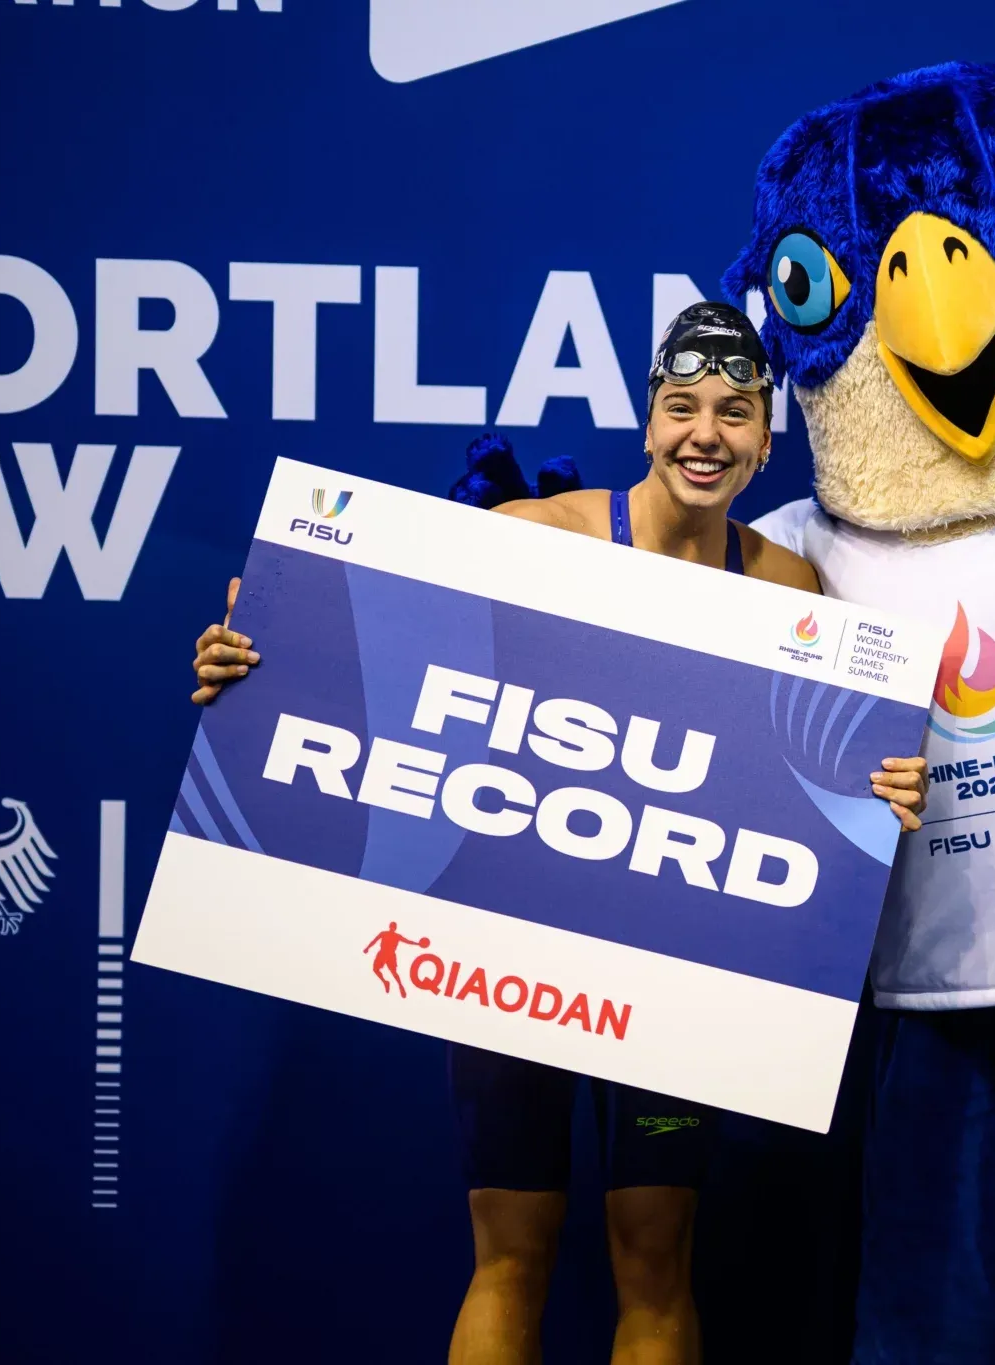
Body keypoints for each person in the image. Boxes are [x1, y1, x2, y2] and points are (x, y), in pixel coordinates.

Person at [190, 302, 930, 1365]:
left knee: (652, 1260)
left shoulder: (786, 588)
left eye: (733, 412)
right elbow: (367, 656)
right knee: (511, 1256)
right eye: (682, 408)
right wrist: (258, 653)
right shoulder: (539, 538)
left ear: (767, 440)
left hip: (676, 967)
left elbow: (819, 774)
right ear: (647, 423)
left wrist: (880, 788)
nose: (704, 435)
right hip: (516, 948)